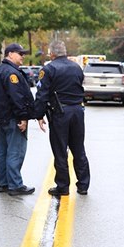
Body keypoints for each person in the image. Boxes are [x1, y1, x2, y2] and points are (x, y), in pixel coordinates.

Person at [34, 40, 90, 196]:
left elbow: (42, 94)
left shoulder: (49, 69)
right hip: (78, 111)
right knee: (78, 148)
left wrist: (38, 114)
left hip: (60, 113)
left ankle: (63, 186)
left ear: (52, 53)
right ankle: (83, 185)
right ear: (64, 52)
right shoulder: (77, 68)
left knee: (60, 150)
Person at [0, 43, 36, 196]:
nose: (23, 56)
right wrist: (23, 117)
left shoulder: (0, 71)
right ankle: (15, 185)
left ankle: (4, 183)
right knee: (16, 151)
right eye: (19, 53)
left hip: (2, 118)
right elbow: (17, 98)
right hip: (13, 118)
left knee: (3, 152)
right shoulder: (12, 73)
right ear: (9, 54)